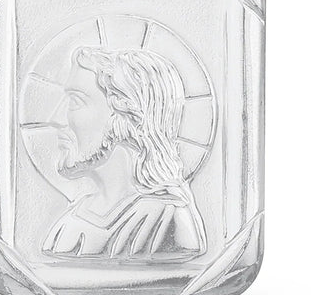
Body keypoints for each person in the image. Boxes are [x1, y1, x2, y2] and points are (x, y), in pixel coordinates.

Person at [43, 46, 206, 261]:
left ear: (123, 115)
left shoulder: (166, 218)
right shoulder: (71, 219)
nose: (55, 119)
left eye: (76, 101)